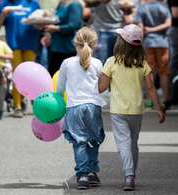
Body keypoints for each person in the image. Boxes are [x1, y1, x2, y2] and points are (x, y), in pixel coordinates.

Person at [98, 24, 165, 191]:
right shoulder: (142, 63)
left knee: (123, 144)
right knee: (133, 143)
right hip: (136, 111)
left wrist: (96, 80)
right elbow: (151, 88)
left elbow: (102, 88)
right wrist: (158, 108)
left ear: (120, 43)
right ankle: (132, 173)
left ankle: (129, 175)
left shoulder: (111, 62)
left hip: (118, 111)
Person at [56, 27, 106, 190]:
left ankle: (82, 175)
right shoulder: (98, 63)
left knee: (79, 142)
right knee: (93, 140)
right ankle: (92, 172)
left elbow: (60, 88)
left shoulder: (67, 63)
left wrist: (57, 102)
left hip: (74, 107)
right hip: (93, 106)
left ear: (75, 43)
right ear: (95, 44)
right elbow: (101, 86)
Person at [0, 0, 42, 118]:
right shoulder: (4, 4)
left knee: (29, 75)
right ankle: (17, 106)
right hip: (13, 43)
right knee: (18, 73)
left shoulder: (33, 3)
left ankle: (22, 98)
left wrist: (41, 22)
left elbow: (40, 24)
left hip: (31, 43)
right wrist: (4, 13)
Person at [134, 0, 172, 109]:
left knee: (149, 72)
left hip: (148, 43)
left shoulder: (142, 8)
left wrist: (149, 30)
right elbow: (168, 24)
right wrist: (154, 29)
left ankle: (151, 101)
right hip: (163, 43)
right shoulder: (164, 7)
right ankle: (165, 100)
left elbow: (140, 28)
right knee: (164, 72)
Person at [42, 0, 83, 76]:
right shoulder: (61, 3)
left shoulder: (75, 4)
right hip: (55, 47)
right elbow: (56, 19)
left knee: (64, 77)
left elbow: (74, 25)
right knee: (53, 75)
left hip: (66, 48)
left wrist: (57, 28)